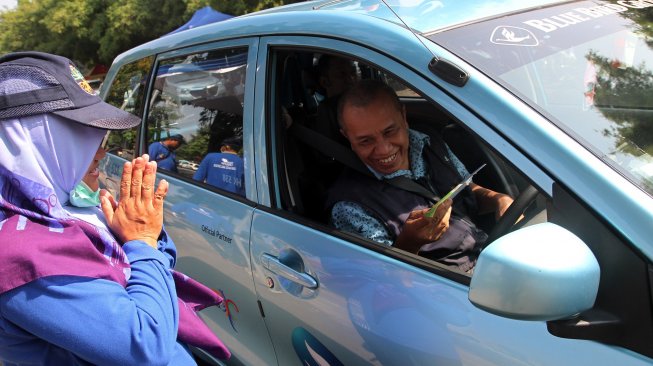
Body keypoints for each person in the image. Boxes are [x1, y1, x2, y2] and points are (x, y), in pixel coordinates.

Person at [0, 51, 230, 364]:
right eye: (80, 135)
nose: (100, 152)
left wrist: (143, 233)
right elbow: (145, 347)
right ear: (27, 138)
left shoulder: (62, 208)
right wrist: (141, 241)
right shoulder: (18, 251)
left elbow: (158, 263)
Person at [326, 80, 514, 273]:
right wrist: (409, 243)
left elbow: (467, 188)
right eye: (366, 141)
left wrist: (498, 200)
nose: (383, 149)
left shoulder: (429, 141)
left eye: (390, 131)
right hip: (449, 284)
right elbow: (381, 277)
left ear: (404, 117)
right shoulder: (349, 205)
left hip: (489, 255)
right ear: (347, 137)